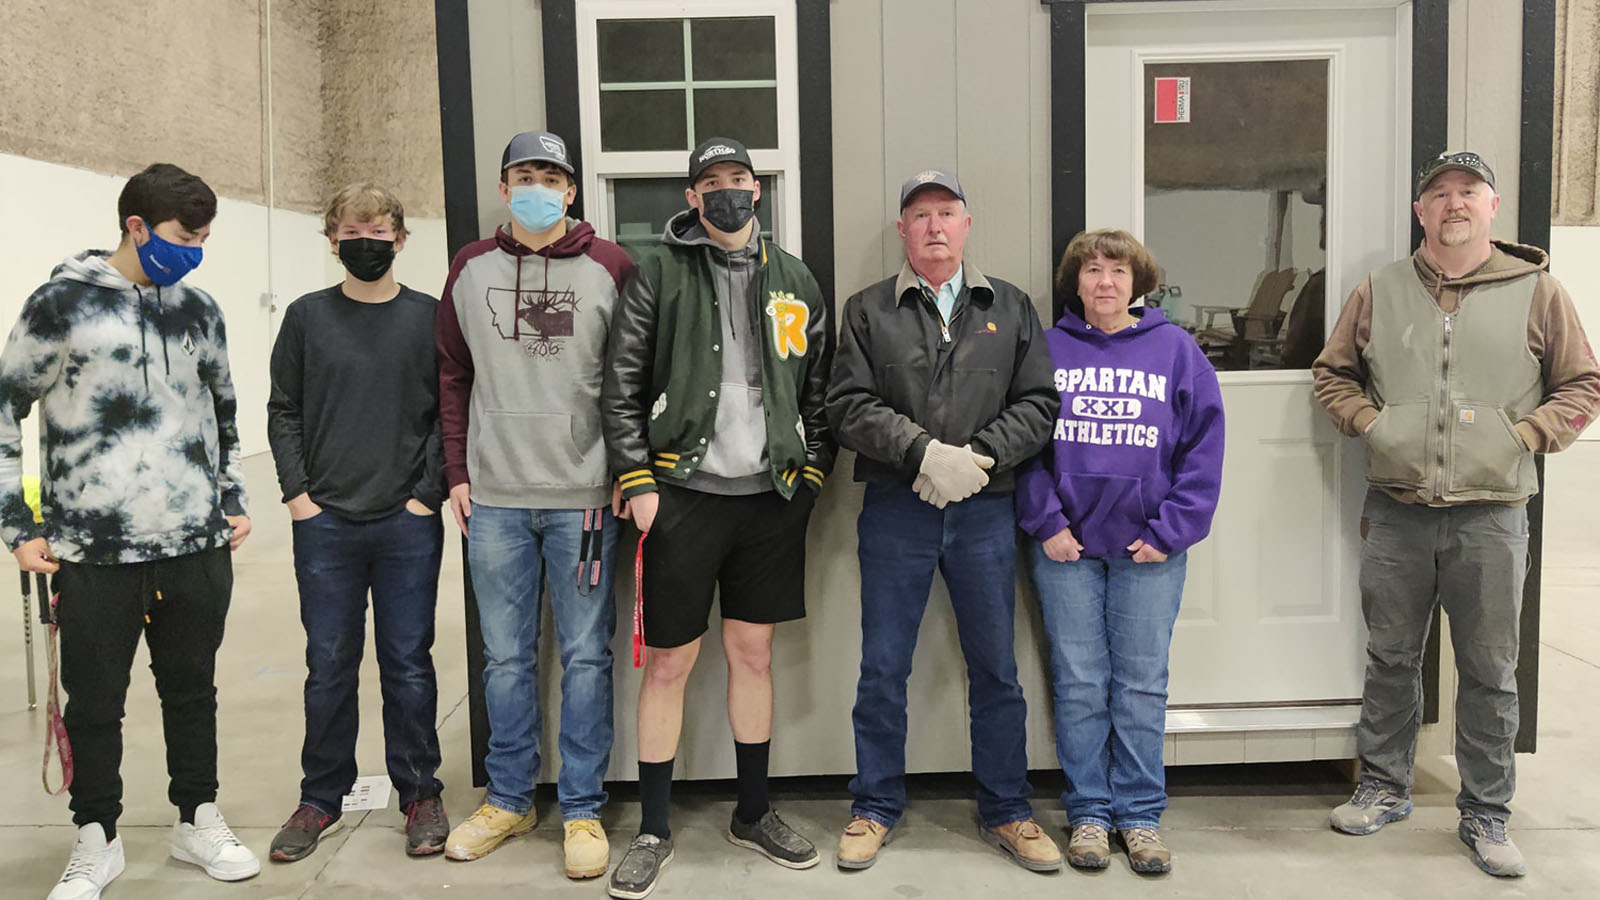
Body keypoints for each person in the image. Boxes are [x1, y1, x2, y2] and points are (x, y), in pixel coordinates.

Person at [1313, 151, 1600, 878]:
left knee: (1490, 671)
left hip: (1493, 516)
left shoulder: (1538, 290)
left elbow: (1581, 383)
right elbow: (1331, 373)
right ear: (1421, 211)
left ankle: (1487, 811)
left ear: (1492, 206)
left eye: (1467, 192)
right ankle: (1382, 786)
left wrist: (1527, 436)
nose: (1453, 205)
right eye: (1438, 194)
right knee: (1391, 659)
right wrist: (1373, 425)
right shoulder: (1380, 289)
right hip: (1397, 512)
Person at [0, 163, 259, 900]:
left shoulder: (199, 309)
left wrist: (232, 496)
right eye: (186, 237)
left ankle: (197, 817)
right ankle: (96, 838)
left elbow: (226, 409)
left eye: (206, 238)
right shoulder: (60, 306)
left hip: (195, 544)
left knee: (192, 691)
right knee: (95, 700)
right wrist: (17, 524)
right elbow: (5, 407)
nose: (196, 251)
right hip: (93, 549)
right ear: (136, 227)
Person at [601, 136, 834, 899]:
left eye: (740, 178)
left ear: (758, 190)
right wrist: (637, 479)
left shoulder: (795, 277)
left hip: (770, 498)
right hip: (681, 497)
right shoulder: (657, 273)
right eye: (712, 182)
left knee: (754, 657)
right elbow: (622, 381)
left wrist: (813, 470)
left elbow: (823, 385)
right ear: (693, 197)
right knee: (669, 663)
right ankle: (655, 828)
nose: (728, 191)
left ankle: (754, 811)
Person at [825, 169, 1061, 872]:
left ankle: (1008, 810)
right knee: (882, 668)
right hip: (899, 509)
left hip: (986, 511)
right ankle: (873, 806)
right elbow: (847, 405)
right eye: (920, 214)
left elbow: (1041, 403)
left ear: (966, 225)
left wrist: (978, 459)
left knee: (996, 670)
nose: (934, 225)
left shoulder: (1011, 307)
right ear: (902, 230)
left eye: (947, 212)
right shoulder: (868, 310)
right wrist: (924, 453)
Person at [434, 130, 634, 878]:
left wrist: (627, 468)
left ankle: (581, 808)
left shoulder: (611, 265)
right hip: (493, 500)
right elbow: (452, 374)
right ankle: (510, 798)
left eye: (550, 176)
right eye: (524, 174)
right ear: (502, 186)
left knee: (586, 656)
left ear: (572, 190)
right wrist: (457, 468)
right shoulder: (470, 268)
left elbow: (631, 378)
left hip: (584, 499)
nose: (537, 187)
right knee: (506, 658)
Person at [1015, 228, 1225, 874]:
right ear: (1074, 281)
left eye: (1117, 270)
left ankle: (1138, 816)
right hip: (1066, 549)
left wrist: (1170, 530)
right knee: (1080, 684)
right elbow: (1024, 445)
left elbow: (1203, 449)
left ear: (1139, 281)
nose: (1104, 281)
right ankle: (1088, 814)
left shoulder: (1176, 353)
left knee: (1139, 685)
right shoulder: (1049, 351)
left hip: (1148, 552)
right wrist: (1046, 519)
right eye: (1092, 269)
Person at [265, 183, 449, 862]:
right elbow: (283, 408)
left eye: (378, 231)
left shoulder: (429, 318)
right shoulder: (307, 317)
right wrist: (297, 496)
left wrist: (424, 496)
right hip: (326, 524)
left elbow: (446, 412)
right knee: (329, 665)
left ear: (401, 239)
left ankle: (420, 792)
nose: (365, 241)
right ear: (332, 239)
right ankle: (321, 798)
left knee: (407, 664)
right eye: (352, 231)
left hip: (406, 523)